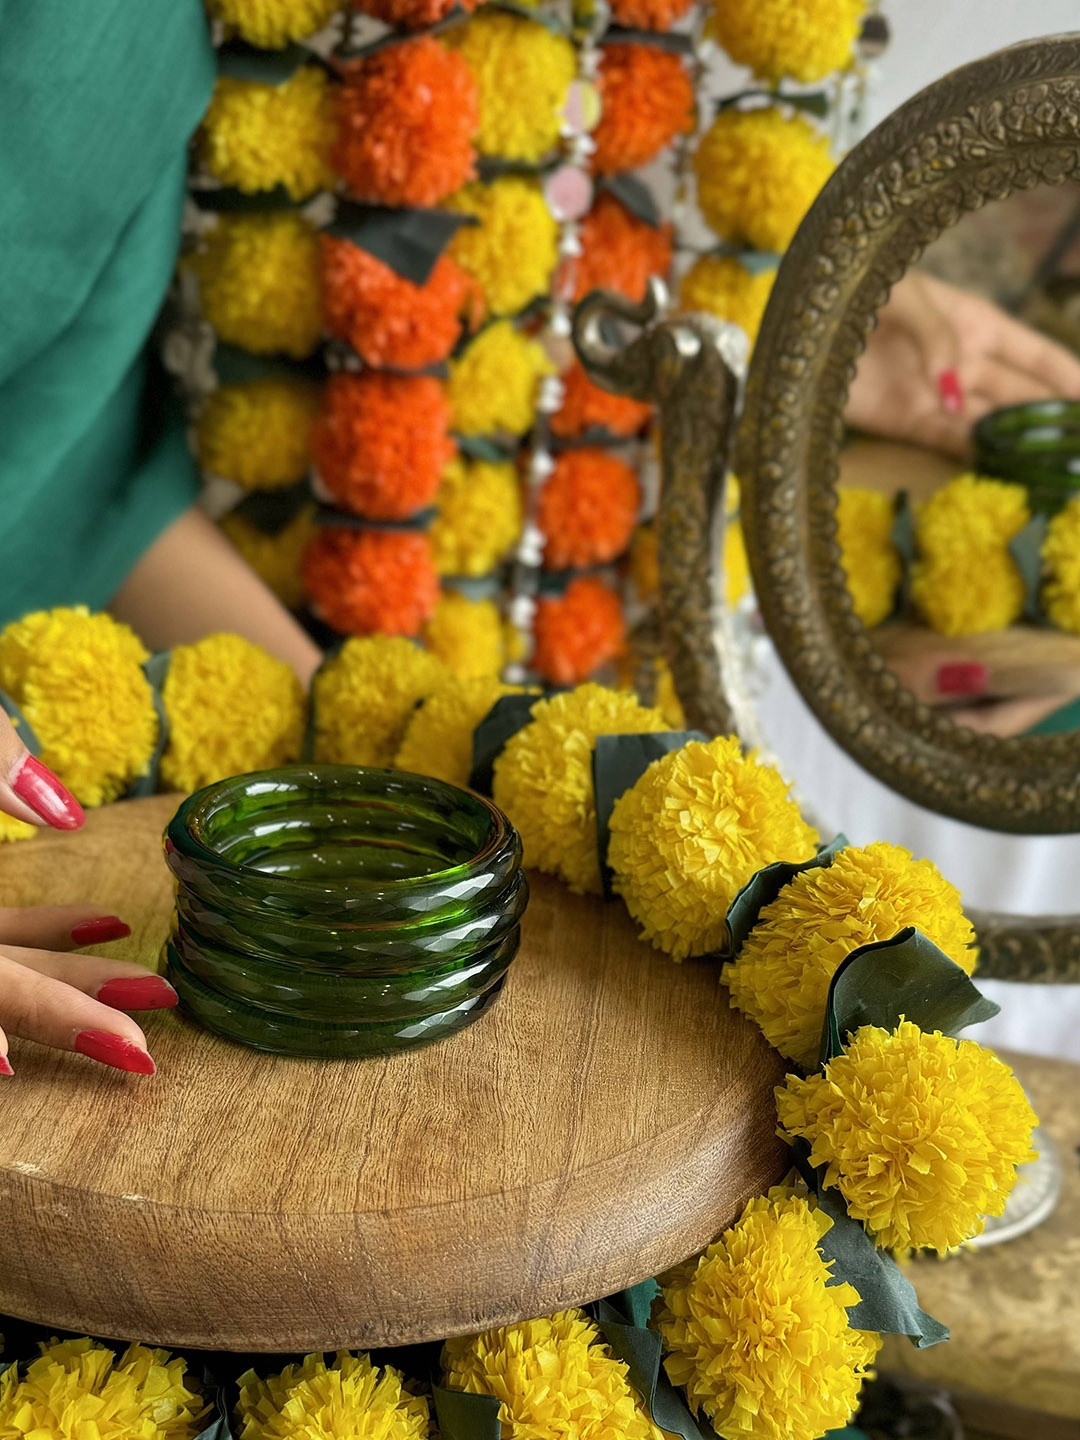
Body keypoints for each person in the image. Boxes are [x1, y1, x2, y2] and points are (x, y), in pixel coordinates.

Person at [4, 3, 1080, 1075]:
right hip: (138, 788)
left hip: (526, 835)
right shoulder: (119, 41)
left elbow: (79, 462)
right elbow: (77, 465)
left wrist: (794, 374)